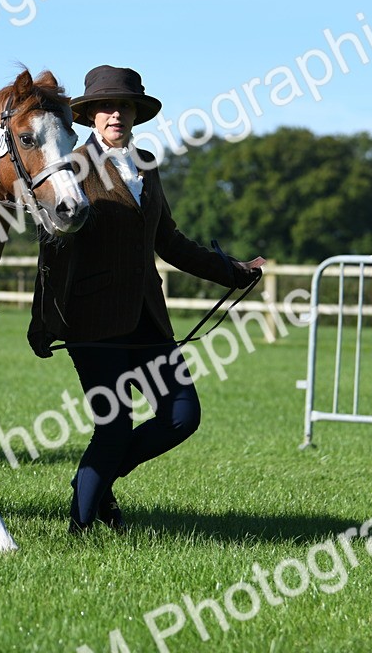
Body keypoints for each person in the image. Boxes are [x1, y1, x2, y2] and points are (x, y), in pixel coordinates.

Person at [28, 65, 266, 532]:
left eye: (124, 106)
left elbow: (170, 241)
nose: (115, 114)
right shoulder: (71, 169)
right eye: (106, 107)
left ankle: (94, 483)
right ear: (91, 116)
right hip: (93, 324)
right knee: (114, 429)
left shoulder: (149, 163)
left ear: (136, 114)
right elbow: (53, 252)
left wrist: (231, 272)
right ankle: (80, 529)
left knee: (182, 416)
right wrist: (43, 320)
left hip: (148, 321)